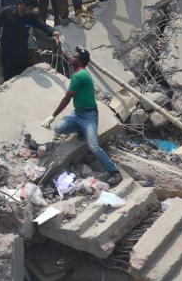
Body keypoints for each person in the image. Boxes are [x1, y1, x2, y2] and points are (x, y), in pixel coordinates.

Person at [42, 47, 122, 184]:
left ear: (80, 61)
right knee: (59, 128)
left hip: (89, 115)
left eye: (75, 57)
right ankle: (80, 129)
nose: (72, 58)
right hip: (78, 113)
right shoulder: (79, 73)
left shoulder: (80, 76)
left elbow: (67, 99)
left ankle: (114, 172)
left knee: (93, 146)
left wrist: (52, 115)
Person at [0, 0, 59, 82]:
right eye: (30, 8)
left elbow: (42, 25)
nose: (31, 11)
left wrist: (52, 32)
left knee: (22, 75)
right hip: (7, 52)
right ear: (23, 5)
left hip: (22, 51)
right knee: (8, 77)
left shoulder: (31, 16)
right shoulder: (6, 12)